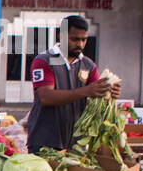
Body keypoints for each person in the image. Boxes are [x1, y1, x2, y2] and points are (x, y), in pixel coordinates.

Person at [25, 15, 120, 154]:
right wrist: (86, 91)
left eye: (84, 39)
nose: (80, 44)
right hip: (44, 141)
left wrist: (110, 93)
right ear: (61, 36)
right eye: (75, 39)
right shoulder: (44, 61)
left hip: (75, 146)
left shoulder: (89, 65)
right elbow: (46, 97)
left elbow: (96, 99)